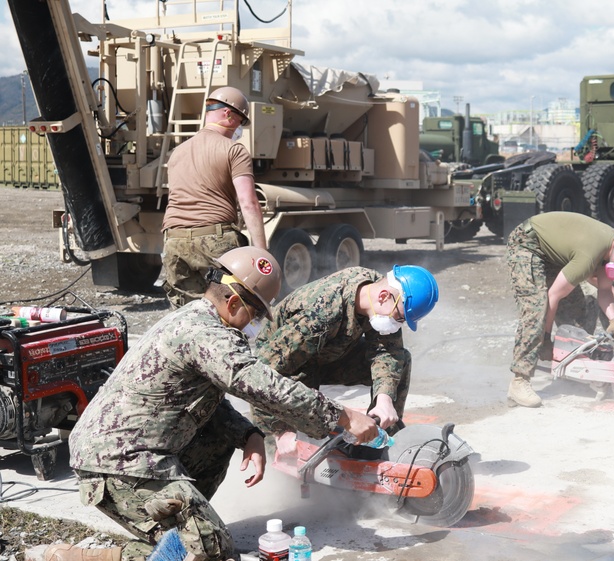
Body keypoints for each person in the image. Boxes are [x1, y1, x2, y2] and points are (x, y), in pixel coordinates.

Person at [63, 247, 379, 561]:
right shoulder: (204, 333)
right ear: (232, 302)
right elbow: (261, 384)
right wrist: (342, 416)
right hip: (117, 461)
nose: (254, 324)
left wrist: (248, 435)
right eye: (254, 315)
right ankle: (103, 555)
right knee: (212, 553)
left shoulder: (198, 320)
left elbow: (202, 403)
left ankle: (181, 529)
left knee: (218, 444)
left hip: (135, 450)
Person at [250, 265, 439, 436]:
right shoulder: (319, 314)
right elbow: (261, 375)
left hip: (326, 355)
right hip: (290, 363)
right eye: (400, 317)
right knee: (305, 433)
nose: (398, 324)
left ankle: (380, 435)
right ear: (383, 296)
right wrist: (280, 433)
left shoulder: (373, 289)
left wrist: (385, 398)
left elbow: (389, 351)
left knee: (401, 360)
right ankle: (272, 449)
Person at [505, 211, 614, 408]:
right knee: (536, 307)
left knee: (576, 316)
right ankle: (519, 381)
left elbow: (604, 291)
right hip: (527, 243)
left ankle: (568, 371)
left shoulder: (612, 249)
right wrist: (544, 337)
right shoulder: (590, 255)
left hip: (552, 255)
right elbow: (553, 296)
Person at [161, 86, 267, 309]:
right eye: (240, 121)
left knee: (186, 315)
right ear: (228, 114)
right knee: (229, 312)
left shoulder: (177, 152)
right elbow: (248, 203)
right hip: (215, 240)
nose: (239, 128)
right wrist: (261, 254)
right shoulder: (234, 150)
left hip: (174, 241)